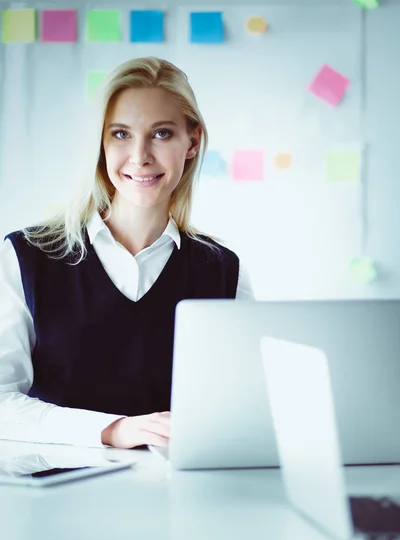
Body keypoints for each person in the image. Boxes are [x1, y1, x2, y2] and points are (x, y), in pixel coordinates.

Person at [0, 57, 254, 450]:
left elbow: (244, 406)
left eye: (162, 133)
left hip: (179, 499)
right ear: (100, 144)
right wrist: (113, 430)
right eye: (121, 134)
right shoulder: (26, 257)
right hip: (53, 500)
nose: (140, 156)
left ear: (193, 142)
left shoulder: (223, 271)